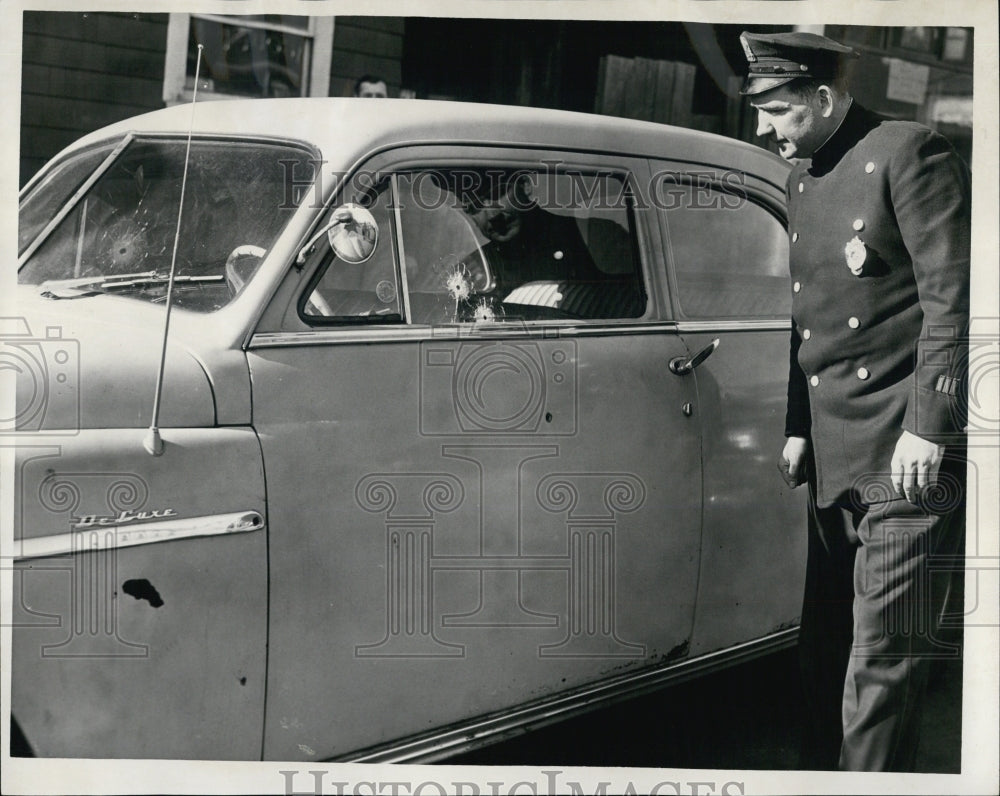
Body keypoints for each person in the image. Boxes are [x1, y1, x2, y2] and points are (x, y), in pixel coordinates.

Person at [739, 30, 971, 771]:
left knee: (881, 661)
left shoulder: (910, 152)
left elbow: (955, 300)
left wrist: (930, 425)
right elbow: (806, 313)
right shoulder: (801, 175)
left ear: (825, 97)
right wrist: (797, 425)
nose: (764, 127)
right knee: (827, 650)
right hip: (836, 445)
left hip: (904, 450)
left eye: (777, 109)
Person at [449, 171, 606, 300]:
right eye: (475, 207)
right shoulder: (472, 270)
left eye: (497, 193)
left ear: (525, 186)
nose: (492, 215)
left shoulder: (594, 235)